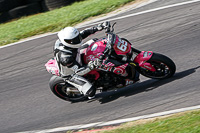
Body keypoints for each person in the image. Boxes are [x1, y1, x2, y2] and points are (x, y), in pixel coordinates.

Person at [53, 21, 110, 99]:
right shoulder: (66, 58)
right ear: (68, 42)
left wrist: (98, 27)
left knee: (96, 41)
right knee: (91, 92)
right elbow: (79, 71)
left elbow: (83, 33)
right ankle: (79, 90)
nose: (79, 39)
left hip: (77, 54)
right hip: (72, 73)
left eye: (77, 38)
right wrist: (93, 64)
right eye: (75, 39)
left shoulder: (68, 40)